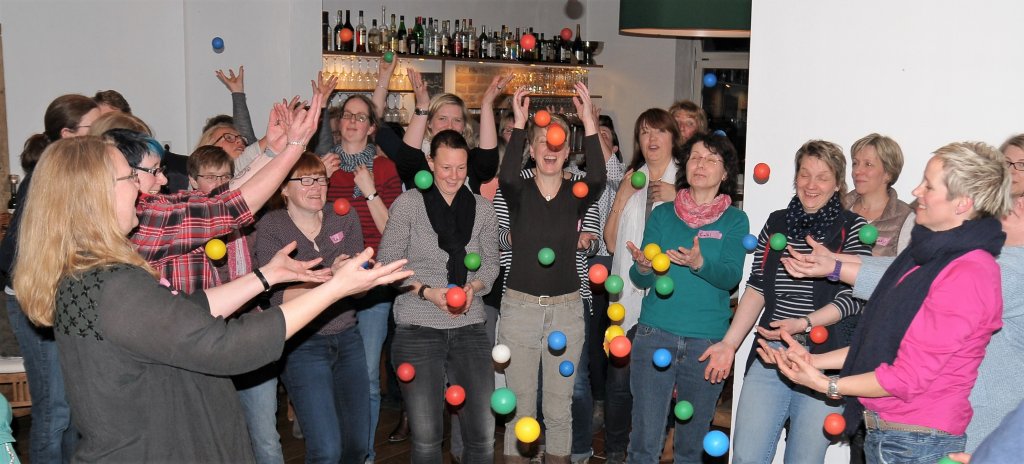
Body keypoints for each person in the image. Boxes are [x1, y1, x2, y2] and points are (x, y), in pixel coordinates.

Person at [12, 136, 412, 462]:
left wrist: (265, 277)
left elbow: (183, 314)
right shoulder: (114, 285)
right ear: (95, 195)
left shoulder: (84, 273)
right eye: (128, 177)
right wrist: (334, 289)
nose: (141, 186)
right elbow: (228, 346)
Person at [760, 141, 1012, 463]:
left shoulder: (969, 273)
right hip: (891, 436)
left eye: (929, 186)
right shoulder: (925, 256)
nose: (917, 191)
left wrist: (828, 385)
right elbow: (882, 346)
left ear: (963, 203)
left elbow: (907, 377)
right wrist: (813, 361)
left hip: (919, 443)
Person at [705, 140, 872, 463]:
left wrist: (805, 323)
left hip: (823, 357)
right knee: (746, 457)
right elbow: (756, 286)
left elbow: (853, 299)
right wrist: (729, 344)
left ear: (838, 183)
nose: (811, 185)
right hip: (772, 353)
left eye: (822, 177)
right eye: (804, 174)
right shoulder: (777, 222)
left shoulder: (853, 228)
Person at [618, 133, 748, 462]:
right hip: (655, 333)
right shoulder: (663, 214)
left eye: (711, 159)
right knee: (644, 443)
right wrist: (643, 266)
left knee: (690, 448)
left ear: (725, 173)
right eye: (694, 157)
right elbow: (640, 278)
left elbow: (731, 277)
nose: (700, 164)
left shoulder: (735, 220)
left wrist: (699, 263)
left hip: (707, 343)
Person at [377, 130, 500, 463]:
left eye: (461, 168)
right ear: (430, 163)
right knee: (427, 437)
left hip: (470, 326)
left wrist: (474, 288)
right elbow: (387, 265)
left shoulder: (483, 209)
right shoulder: (408, 204)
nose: (454, 176)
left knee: (482, 435)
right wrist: (426, 292)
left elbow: (492, 264)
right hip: (417, 326)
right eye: (446, 167)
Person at [497, 84, 604, 463]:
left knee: (559, 411)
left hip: (567, 312)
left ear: (568, 150)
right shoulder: (518, 191)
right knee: (520, 411)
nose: (550, 147)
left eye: (557, 141)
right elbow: (506, 176)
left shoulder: (577, 193)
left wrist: (588, 121)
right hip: (520, 311)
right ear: (531, 148)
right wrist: (520, 124)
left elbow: (598, 178)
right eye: (542, 140)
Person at [253, 152, 370, 464]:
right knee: (326, 451)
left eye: (320, 179)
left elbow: (359, 292)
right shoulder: (272, 226)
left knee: (357, 447)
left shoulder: (344, 217)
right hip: (302, 345)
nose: (316, 186)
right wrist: (335, 278)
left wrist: (359, 277)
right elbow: (278, 299)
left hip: (348, 337)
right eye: (305, 180)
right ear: (284, 188)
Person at [0, 93, 99, 463]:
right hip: (35, 302)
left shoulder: (76, 175)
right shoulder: (44, 178)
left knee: (72, 409)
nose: (102, 135)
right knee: (54, 412)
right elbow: (10, 255)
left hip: (65, 301)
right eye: (93, 127)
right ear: (68, 134)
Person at [317, 91, 403, 458]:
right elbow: (308, 226)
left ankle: (364, 455)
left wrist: (370, 192)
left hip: (372, 284)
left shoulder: (384, 169)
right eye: (348, 115)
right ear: (339, 123)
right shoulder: (323, 166)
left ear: (371, 128)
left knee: (366, 376)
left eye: (361, 117)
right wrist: (317, 181)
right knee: (329, 374)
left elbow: (395, 232)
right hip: (330, 283)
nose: (352, 121)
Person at [601, 108, 685, 463]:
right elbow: (610, 243)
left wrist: (680, 197)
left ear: (673, 138)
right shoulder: (631, 178)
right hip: (627, 297)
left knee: (660, 382)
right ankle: (615, 452)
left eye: (659, 131)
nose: (652, 139)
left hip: (666, 298)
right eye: (645, 132)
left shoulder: (687, 181)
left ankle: (655, 448)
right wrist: (621, 197)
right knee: (619, 381)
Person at [370, 59, 506, 194]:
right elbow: (376, 122)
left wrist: (487, 104)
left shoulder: (469, 159)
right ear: (429, 122)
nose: (450, 125)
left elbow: (487, 165)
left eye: (457, 120)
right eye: (442, 118)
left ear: (464, 126)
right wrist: (384, 78)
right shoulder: (415, 157)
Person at [844, 133, 915, 256]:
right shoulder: (836, 209)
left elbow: (906, 267)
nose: (857, 171)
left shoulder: (907, 219)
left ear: (888, 173)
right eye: (855, 163)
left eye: (868, 164)